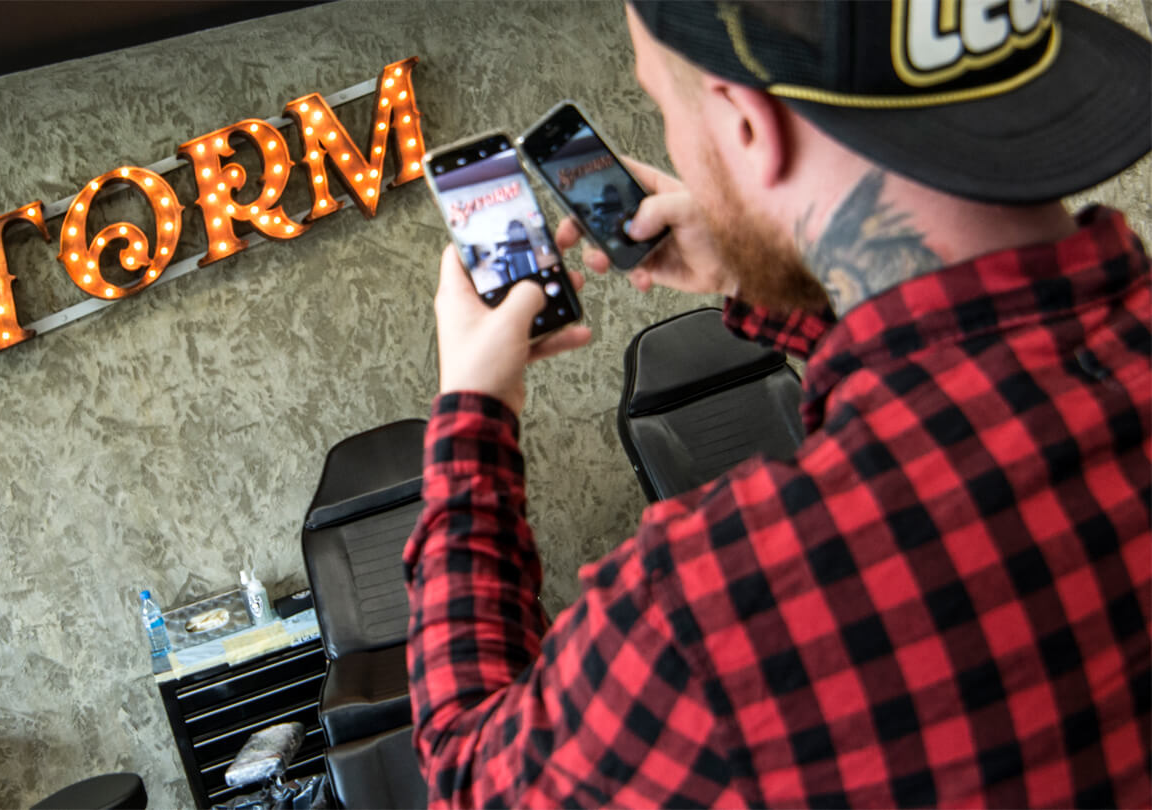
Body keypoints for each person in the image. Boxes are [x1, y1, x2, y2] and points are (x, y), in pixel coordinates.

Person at [405, 1, 1151, 807]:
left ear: (749, 124)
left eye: (661, 102)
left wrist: (474, 412)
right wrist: (763, 272)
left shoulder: (711, 613)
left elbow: (472, 772)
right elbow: (951, 378)